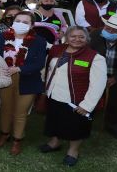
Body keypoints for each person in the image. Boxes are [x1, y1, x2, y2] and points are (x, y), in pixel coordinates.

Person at [40, 26, 107, 167]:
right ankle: (55, 142)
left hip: (77, 100)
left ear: (87, 39)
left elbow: (98, 84)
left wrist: (87, 105)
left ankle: (73, 150)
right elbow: (48, 68)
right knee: (54, 121)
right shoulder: (56, 50)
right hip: (54, 94)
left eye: (81, 37)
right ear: (67, 37)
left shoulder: (95, 57)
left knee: (76, 127)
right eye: (73, 36)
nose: (77, 39)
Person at [0, 11, 47, 155]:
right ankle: (4, 134)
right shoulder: (1, 37)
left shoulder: (39, 41)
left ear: (32, 25)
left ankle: (17, 139)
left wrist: (19, 68)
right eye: (18, 21)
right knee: (5, 108)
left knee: (20, 112)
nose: (21, 24)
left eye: (25, 22)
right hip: (5, 78)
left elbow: (39, 63)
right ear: (12, 22)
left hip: (27, 79)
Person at [89, 13, 117, 141]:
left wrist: (116, 78)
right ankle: (86, 122)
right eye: (107, 27)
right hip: (95, 73)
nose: (109, 31)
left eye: (114, 30)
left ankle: (115, 127)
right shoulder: (95, 35)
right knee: (90, 98)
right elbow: (86, 54)